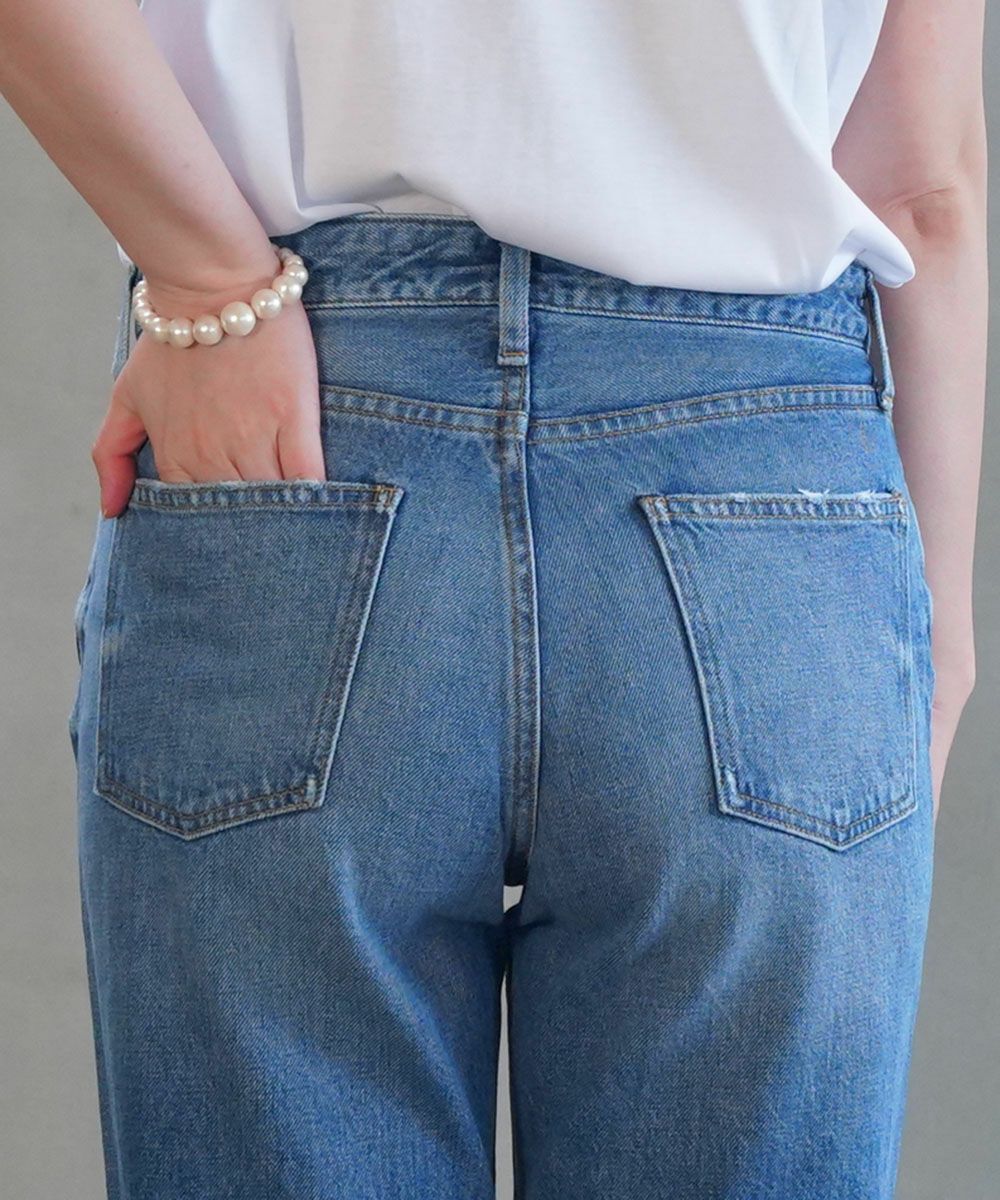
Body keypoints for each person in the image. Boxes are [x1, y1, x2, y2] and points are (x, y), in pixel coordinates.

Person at [0, 2, 986, 1197]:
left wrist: (210, 279)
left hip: (307, 419)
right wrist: (936, 625)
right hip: (762, 485)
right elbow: (919, 182)